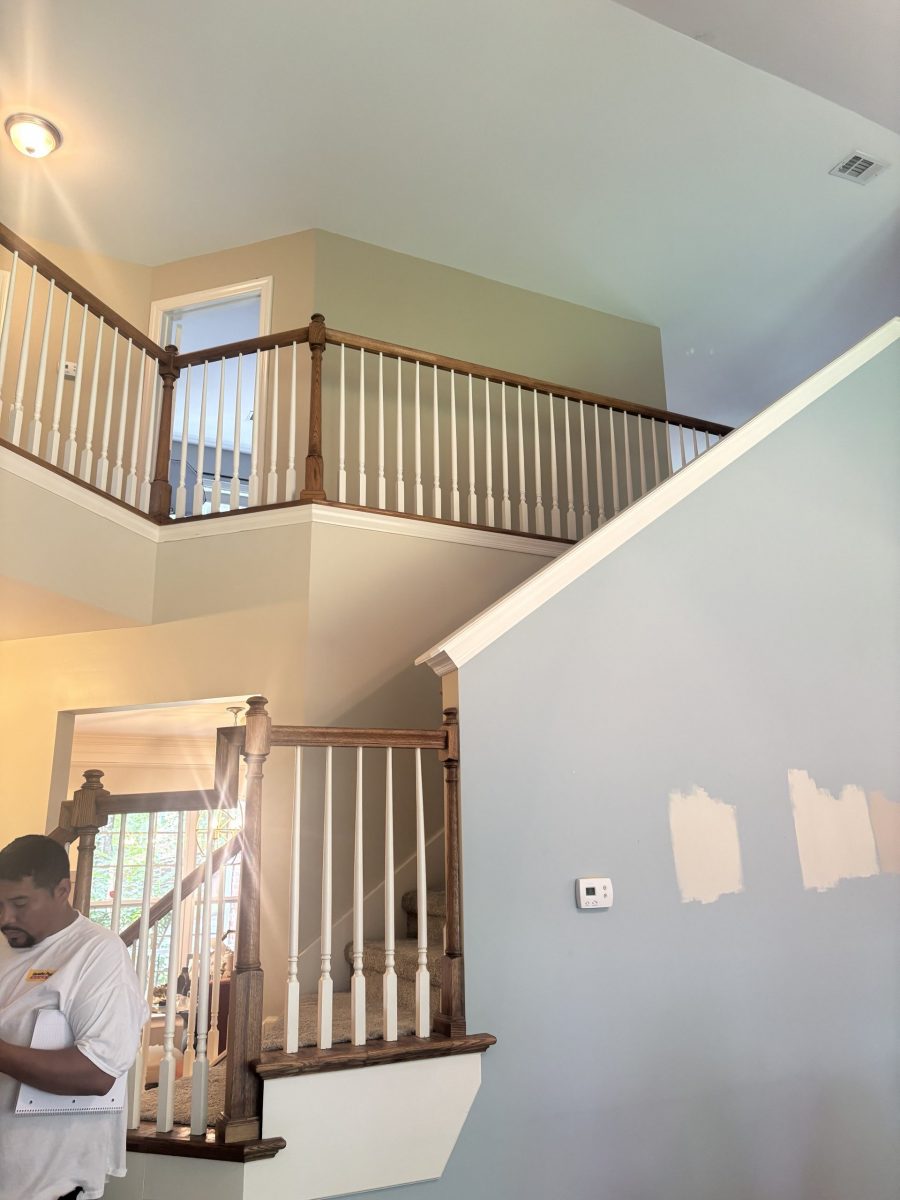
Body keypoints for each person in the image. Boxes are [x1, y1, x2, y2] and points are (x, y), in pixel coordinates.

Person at [0, 835, 148, 1200]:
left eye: (20, 904)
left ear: (62, 890)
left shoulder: (97, 954)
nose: (6, 918)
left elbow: (98, 1073)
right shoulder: (6, 946)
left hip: (47, 1187)